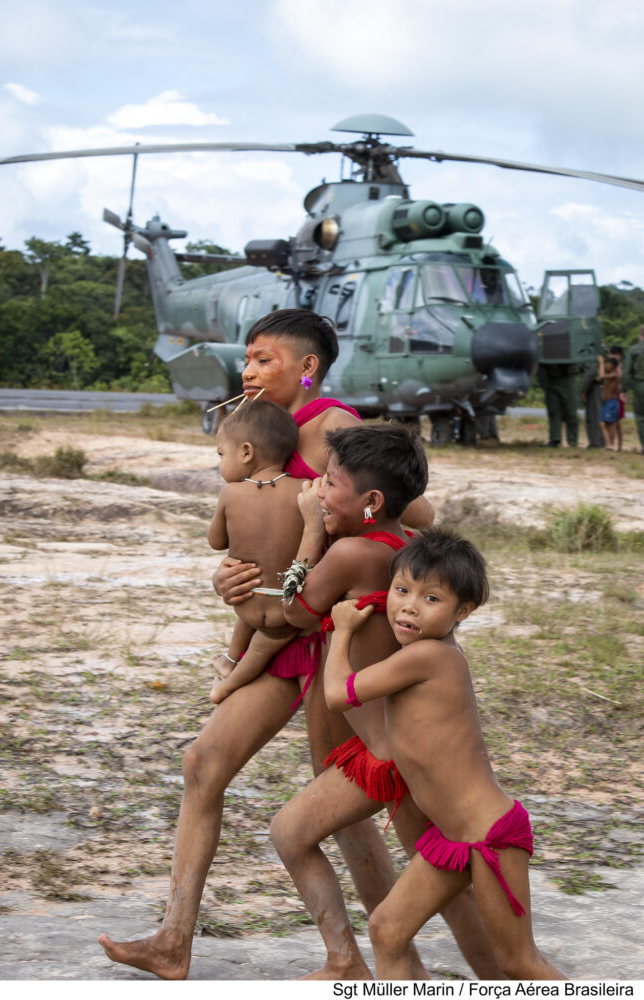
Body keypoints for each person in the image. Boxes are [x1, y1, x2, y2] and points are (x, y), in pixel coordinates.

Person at [96, 309, 442, 980]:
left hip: (331, 640)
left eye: (264, 359)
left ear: (307, 367)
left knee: (342, 802)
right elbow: (258, 539)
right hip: (279, 629)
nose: (247, 371)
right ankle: (174, 941)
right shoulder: (265, 437)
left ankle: (394, 967)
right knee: (204, 762)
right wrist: (231, 576)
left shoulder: (337, 427)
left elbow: (415, 511)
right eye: (247, 360)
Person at [271, 425, 503, 980]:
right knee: (445, 888)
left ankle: (350, 964)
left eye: (329, 483)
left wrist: (309, 530)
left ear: (371, 502)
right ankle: (482, 977)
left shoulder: (351, 552)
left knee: (291, 834)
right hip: (396, 752)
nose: (319, 492)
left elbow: (295, 613)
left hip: (384, 760)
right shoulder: (406, 555)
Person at [322, 531, 564, 981]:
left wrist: (343, 631)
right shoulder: (418, 653)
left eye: (430, 597)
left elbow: (337, 693)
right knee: (387, 930)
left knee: (518, 963)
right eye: (401, 590)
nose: (409, 606)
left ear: (463, 612)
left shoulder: (430, 657)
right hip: (451, 839)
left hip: (489, 834)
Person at [207, 398, 305, 704]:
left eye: (222, 453)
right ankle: (230, 670)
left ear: (246, 452)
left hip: (247, 602)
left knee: (252, 625)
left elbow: (215, 542)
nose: (221, 462)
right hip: (286, 610)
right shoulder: (305, 489)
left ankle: (230, 672)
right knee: (267, 639)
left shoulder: (231, 493)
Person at [537, 362, 578, 447]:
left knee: (570, 411)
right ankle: (555, 439)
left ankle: (572, 440)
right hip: (552, 378)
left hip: (567, 377)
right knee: (553, 410)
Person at [623, 329, 644, 455]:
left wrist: (624, 390)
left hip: (640, 385)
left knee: (641, 417)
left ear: (639, 336)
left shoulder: (633, 350)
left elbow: (626, 373)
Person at [598, 355, 621, 450]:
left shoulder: (614, 375)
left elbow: (601, 376)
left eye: (607, 364)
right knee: (606, 424)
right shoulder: (610, 376)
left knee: (605, 423)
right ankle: (609, 444)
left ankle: (610, 444)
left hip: (611, 402)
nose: (605, 366)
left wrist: (601, 363)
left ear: (612, 366)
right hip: (606, 402)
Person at [579, 359, 602, 448]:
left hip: (595, 387)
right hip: (604, 387)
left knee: (594, 414)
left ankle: (595, 442)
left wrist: (583, 390)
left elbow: (590, 373)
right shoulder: (604, 351)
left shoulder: (593, 354)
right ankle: (601, 441)